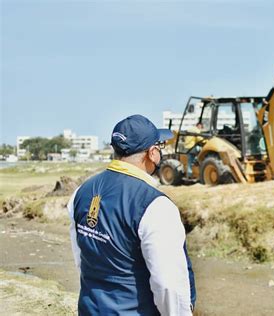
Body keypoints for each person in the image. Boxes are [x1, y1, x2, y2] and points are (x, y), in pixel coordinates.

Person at [67, 114, 196, 315]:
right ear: (152, 153)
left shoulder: (81, 192)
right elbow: (169, 285)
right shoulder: (155, 206)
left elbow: (81, 259)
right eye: (159, 147)